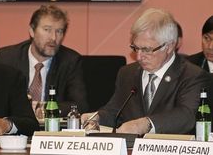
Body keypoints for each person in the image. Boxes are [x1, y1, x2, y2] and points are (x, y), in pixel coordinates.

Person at [82, 8, 210, 134]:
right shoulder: (127, 73)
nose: (138, 56)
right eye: (135, 48)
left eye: (146, 50)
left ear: (169, 46)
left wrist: (146, 124)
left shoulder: (192, 75)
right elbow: (114, 110)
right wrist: (97, 118)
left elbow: (186, 116)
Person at [0, 5, 88, 116]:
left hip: (53, 128)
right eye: (47, 30)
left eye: (59, 31)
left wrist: (45, 107)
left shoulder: (70, 61)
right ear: (32, 31)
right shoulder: (7, 57)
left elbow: (80, 105)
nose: (53, 38)